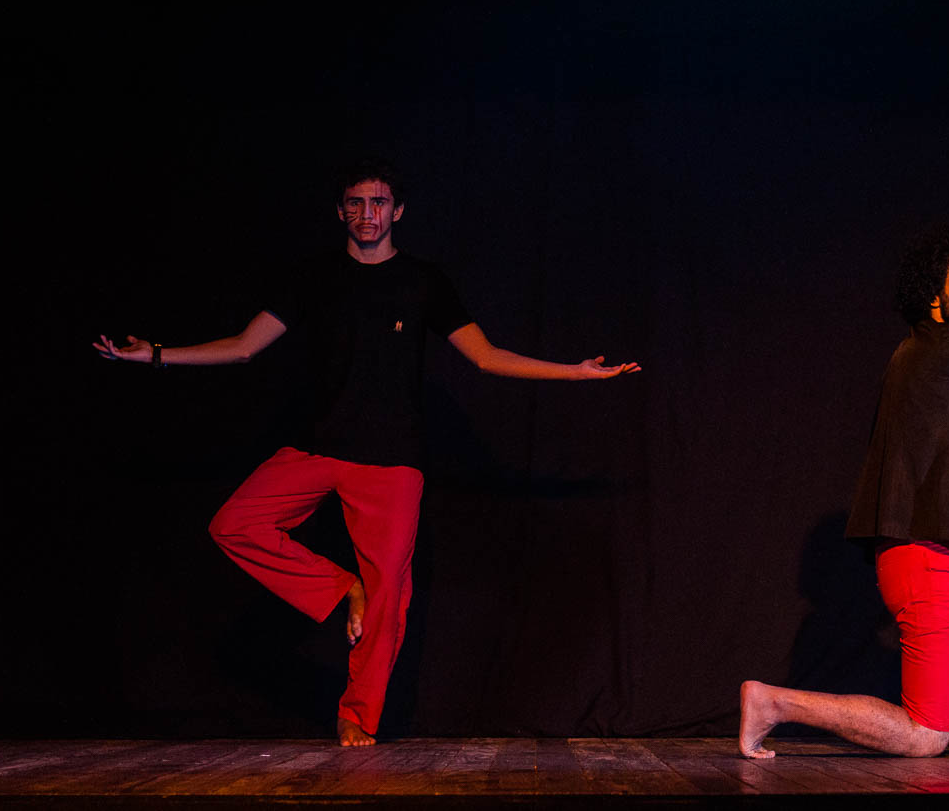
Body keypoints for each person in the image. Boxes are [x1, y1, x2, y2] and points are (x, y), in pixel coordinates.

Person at [94, 159, 639, 747]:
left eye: (378, 202)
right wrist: (156, 354)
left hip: (392, 461)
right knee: (234, 524)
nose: (367, 213)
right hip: (317, 448)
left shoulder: (423, 282)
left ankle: (357, 715)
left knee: (389, 598)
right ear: (340, 211)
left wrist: (575, 372)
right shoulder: (314, 276)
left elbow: (486, 357)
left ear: (397, 211)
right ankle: (339, 587)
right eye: (355, 203)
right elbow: (245, 346)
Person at [739, 222, 949, 758]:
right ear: (933, 298)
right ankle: (774, 703)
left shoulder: (935, 353)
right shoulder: (942, 346)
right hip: (928, 558)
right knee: (925, 737)